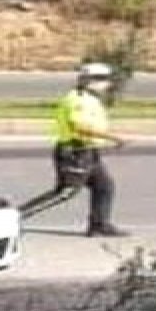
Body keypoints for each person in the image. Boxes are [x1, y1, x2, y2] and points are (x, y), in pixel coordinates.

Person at [19, 62, 130, 237]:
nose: (107, 84)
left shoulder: (89, 99)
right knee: (65, 192)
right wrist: (114, 138)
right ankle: (15, 217)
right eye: (102, 79)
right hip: (75, 152)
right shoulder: (77, 100)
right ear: (90, 81)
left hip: (89, 151)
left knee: (104, 186)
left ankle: (99, 225)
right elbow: (78, 127)